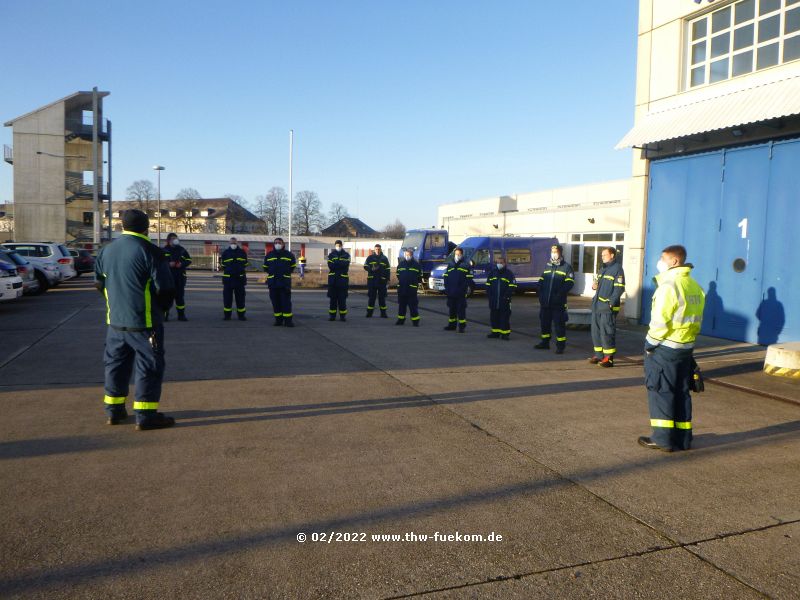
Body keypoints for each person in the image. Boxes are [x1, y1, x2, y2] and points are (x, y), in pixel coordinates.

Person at [94, 209, 176, 431]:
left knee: (115, 365)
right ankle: (146, 415)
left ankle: (114, 411)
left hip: (116, 322)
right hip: (144, 323)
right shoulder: (151, 252)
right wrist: (162, 310)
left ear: (122, 226)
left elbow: (99, 284)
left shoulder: (106, 251)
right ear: (146, 227)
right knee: (148, 366)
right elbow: (166, 289)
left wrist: (116, 305)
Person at [639, 245, 705, 453]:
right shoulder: (694, 286)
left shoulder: (669, 286)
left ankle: (662, 439)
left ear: (674, 261)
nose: (660, 262)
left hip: (665, 349)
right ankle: (683, 438)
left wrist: (650, 344)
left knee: (661, 392)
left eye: (663, 258)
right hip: (685, 347)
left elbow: (660, 322)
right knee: (682, 392)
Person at [534, 244, 574, 354]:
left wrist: (559, 295)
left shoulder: (566, 267)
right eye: (552, 251)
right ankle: (545, 343)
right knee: (544, 324)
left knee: (559, 326)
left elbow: (569, 283)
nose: (554, 253)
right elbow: (541, 281)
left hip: (558, 304)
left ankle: (560, 346)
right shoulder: (547, 266)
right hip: (545, 303)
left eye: (555, 251)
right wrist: (540, 294)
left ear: (560, 252)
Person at [589, 247, 626, 367]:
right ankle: (599, 355)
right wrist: (594, 286)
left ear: (612, 255)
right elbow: (597, 284)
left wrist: (611, 302)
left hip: (607, 307)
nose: (602, 256)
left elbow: (619, 287)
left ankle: (608, 358)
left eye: (605, 254)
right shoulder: (603, 269)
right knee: (596, 332)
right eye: (602, 255)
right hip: (597, 306)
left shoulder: (617, 269)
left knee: (606, 332)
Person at [263, 237, 297, 327]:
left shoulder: (289, 255)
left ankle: (288, 321)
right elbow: (265, 267)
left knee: (286, 303)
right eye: (276, 242)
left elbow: (293, 266)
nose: (277, 244)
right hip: (273, 283)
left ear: (283, 244)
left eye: (279, 242)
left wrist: (285, 273)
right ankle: (278, 320)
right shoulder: (269, 255)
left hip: (284, 283)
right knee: (275, 303)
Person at [162, 232, 192, 322]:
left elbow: (189, 260)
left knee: (180, 297)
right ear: (168, 240)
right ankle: (165, 316)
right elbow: (159, 262)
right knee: (167, 297)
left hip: (180, 277)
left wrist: (182, 264)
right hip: (168, 277)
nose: (175, 240)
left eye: (176, 238)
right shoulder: (164, 250)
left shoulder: (182, 250)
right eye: (173, 238)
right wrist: (168, 264)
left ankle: (181, 315)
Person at [486, 255, 517, 340]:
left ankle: (505, 334)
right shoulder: (492, 273)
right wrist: (490, 296)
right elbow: (488, 285)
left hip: (504, 300)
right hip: (494, 300)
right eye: (498, 263)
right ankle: (495, 332)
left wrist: (506, 296)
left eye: (501, 263)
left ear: (505, 263)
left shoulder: (509, 274)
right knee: (494, 317)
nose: (499, 264)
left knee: (504, 318)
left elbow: (512, 286)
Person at [443, 247, 473, 333]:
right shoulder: (450, 264)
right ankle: (451, 325)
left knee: (461, 310)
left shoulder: (466, 265)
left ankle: (462, 326)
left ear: (462, 255)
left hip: (460, 292)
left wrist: (463, 288)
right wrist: (447, 288)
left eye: (459, 254)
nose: (457, 255)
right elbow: (446, 277)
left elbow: (469, 278)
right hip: (451, 291)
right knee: (452, 310)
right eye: (456, 254)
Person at [220, 237, 248, 320]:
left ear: (237, 243)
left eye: (234, 243)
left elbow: (245, 264)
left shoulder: (242, 252)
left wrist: (238, 269)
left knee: (240, 299)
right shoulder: (225, 253)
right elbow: (223, 265)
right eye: (232, 243)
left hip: (239, 279)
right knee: (227, 299)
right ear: (229, 243)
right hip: (228, 280)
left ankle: (241, 315)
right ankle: (227, 316)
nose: (233, 244)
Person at [395, 248, 422, 326]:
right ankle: (401, 320)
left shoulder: (416, 265)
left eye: (409, 255)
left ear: (412, 255)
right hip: (402, 288)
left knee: (413, 306)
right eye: (406, 255)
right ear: (404, 255)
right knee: (401, 306)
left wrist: (414, 285)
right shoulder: (401, 264)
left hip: (411, 290)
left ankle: (415, 321)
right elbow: (398, 275)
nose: (407, 256)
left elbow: (419, 277)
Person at [364, 243, 391, 318]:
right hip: (372, 281)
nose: (377, 250)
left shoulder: (384, 258)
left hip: (382, 281)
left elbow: (388, 269)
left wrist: (388, 279)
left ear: (381, 249)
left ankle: (383, 313)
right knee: (372, 297)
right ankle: (369, 313)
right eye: (376, 249)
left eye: (379, 249)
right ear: (374, 249)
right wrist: (371, 269)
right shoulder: (370, 258)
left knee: (382, 298)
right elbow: (365, 266)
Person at [327, 240, 350, 321]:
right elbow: (330, 266)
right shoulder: (331, 255)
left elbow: (345, 265)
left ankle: (343, 316)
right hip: (333, 281)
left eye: (339, 245)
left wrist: (336, 262)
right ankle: (332, 316)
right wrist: (340, 263)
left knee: (342, 300)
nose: (338, 247)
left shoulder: (346, 255)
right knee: (332, 300)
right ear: (334, 246)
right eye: (337, 245)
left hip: (342, 281)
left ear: (342, 246)